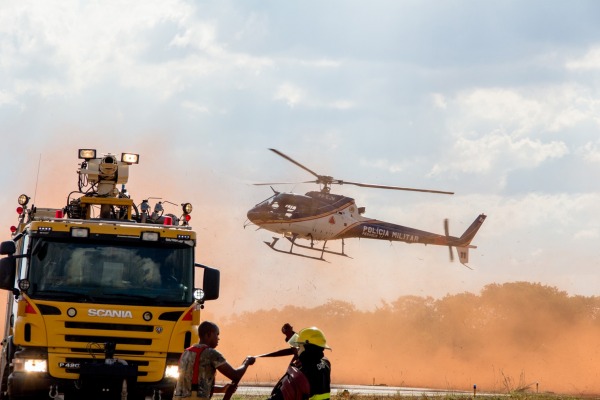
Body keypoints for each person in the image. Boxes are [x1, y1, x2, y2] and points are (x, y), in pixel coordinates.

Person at [174, 321, 255, 399]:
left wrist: (222, 389)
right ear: (209, 334)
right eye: (217, 334)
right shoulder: (211, 353)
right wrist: (247, 362)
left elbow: (195, 386)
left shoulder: (186, 353)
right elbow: (235, 375)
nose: (218, 338)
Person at [267, 327, 332, 400]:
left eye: (299, 347)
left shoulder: (300, 375)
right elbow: (314, 357)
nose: (297, 351)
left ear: (307, 348)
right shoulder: (326, 364)